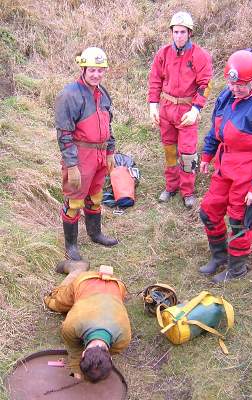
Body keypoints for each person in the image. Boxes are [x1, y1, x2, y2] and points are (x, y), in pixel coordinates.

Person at [198, 49, 252, 283]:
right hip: (224, 164)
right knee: (208, 210)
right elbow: (215, 130)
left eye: (242, 85)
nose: (236, 89)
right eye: (232, 83)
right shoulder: (226, 96)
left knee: (239, 220)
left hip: (248, 171)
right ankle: (219, 256)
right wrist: (207, 154)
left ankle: (237, 268)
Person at [55, 46, 118, 262]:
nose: (96, 74)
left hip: (100, 155)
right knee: (74, 202)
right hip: (81, 155)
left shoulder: (102, 92)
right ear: (83, 68)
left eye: (100, 70)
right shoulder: (70, 94)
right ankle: (71, 246)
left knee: (95, 197)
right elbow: (64, 134)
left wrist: (110, 151)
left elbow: (108, 124)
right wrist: (71, 165)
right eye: (92, 70)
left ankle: (95, 234)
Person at [148, 11, 213, 209]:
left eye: (182, 32)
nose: (178, 36)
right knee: (169, 151)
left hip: (186, 111)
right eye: (175, 32)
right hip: (166, 109)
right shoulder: (164, 53)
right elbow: (155, 79)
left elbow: (205, 84)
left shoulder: (199, 56)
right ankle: (171, 186)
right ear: (171, 32)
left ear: (190, 33)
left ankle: (188, 191)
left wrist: (195, 109)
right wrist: (153, 105)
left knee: (187, 154)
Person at [44, 263, 131, 382]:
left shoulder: (123, 339)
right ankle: (76, 268)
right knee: (55, 303)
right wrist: (75, 368)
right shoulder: (72, 325)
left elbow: (76, 348)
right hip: (84, 282)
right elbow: (73, 348)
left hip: (117, 286)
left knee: (67, 308)